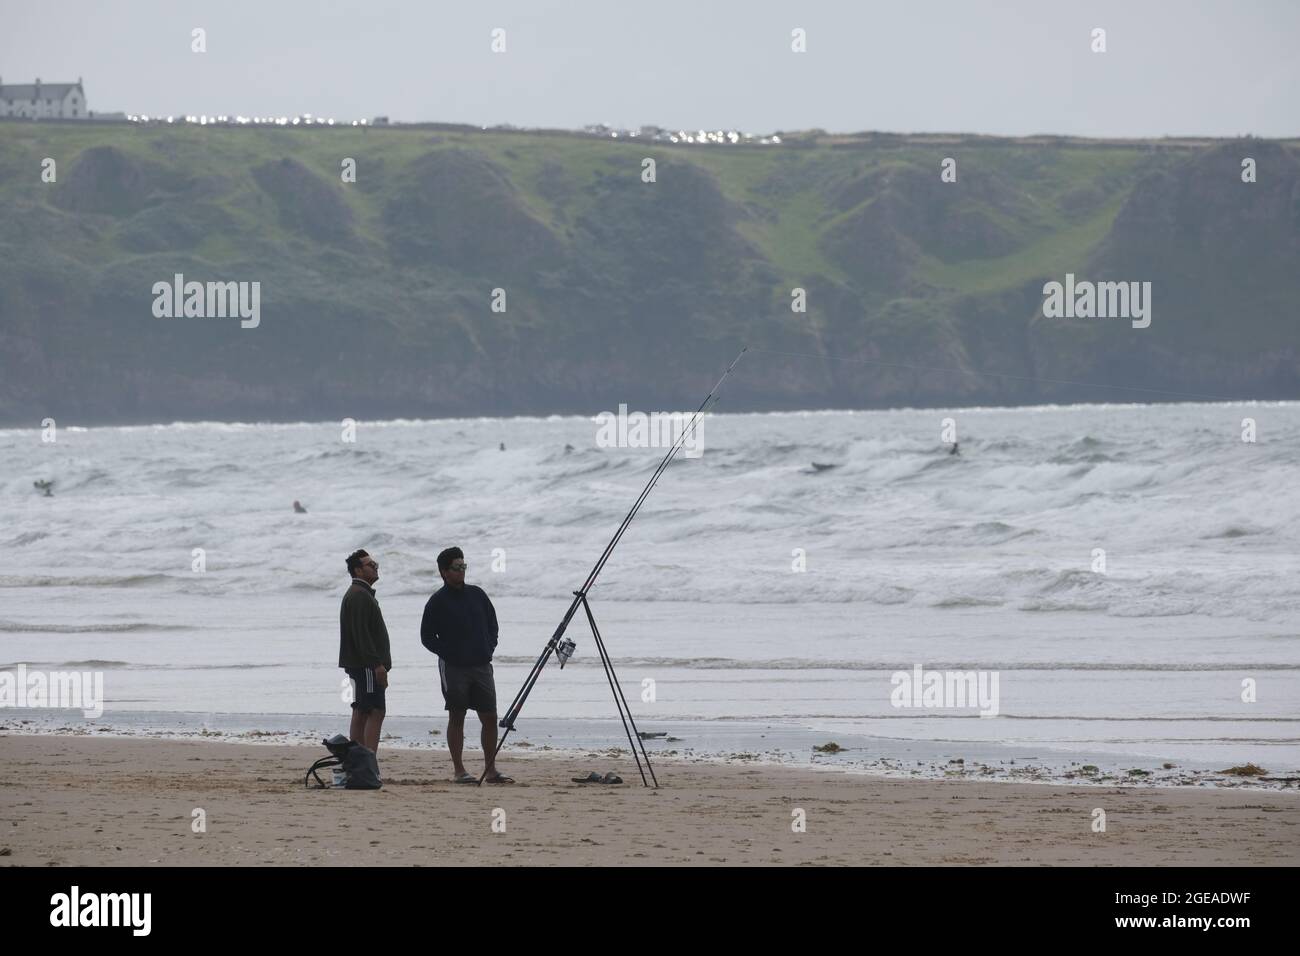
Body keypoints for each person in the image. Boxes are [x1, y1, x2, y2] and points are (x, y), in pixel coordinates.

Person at [420, 547, 513, 784]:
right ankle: (459, 770)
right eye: (456, 567)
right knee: (457, 715)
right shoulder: (436, 602)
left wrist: (489, 647)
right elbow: (427, 637)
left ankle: (490, 769)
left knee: (490, 716)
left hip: (482, 665)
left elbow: (493, 624)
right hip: (454, 668)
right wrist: (450, 653)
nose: (461, 571)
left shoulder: (478, 594)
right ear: (444, 572)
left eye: (464, 566)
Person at [340, 549, 391, 755]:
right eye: (370, 565)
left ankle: (359, 759)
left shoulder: (359, 593)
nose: (375, 567)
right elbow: (362, 636)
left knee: (361, 709)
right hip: (366, 666)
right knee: (374, 710)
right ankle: (368, 759)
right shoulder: (359, 595)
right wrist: (377, 665)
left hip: (360, 664)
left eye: (375, 563)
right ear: (358, 570)